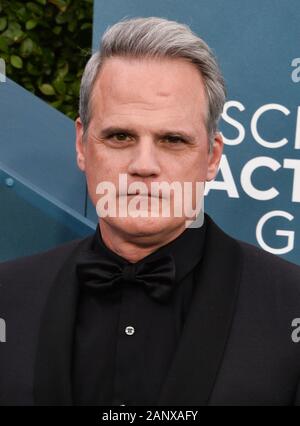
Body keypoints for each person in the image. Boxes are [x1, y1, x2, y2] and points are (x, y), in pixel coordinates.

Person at [1, 17, 300, 406]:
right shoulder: (7, 296)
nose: (144, 164)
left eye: (173, 140)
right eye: (120, 136)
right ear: (81, 144)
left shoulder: (290, 305)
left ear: (211, 157)